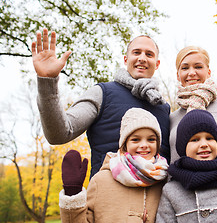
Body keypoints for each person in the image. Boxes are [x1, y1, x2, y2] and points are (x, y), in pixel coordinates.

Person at [31, 29, 170, 177]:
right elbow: (59, 134)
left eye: (149, 54)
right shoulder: (102, 93)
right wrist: (47, 82)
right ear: (125, 59)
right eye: (136, 52)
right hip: (107, 194)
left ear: (157, 64)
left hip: (154, 198)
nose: (142, 58)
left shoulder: (164, 108)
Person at [60, 108, 168, 222]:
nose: (144, 145)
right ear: (124, 144)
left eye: (151, 139)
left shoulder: (164, 180)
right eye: (135, 139)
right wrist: (73, 194)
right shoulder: (100, 181)